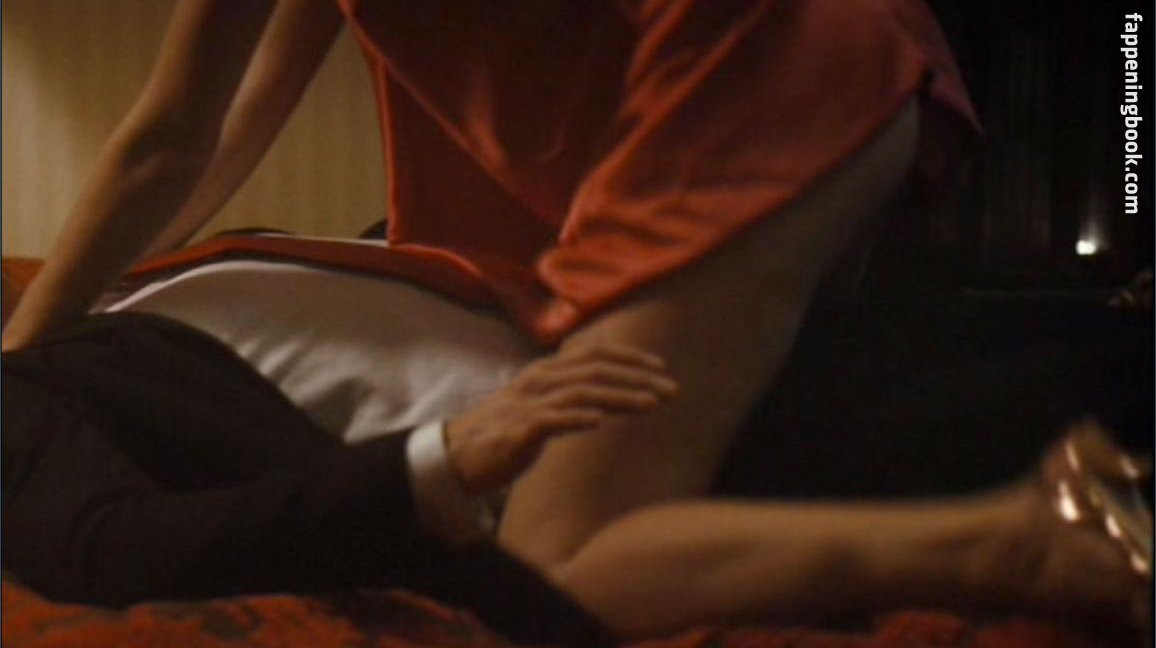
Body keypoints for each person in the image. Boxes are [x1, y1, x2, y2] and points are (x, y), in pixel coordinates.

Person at [2, 0, 1150, 640]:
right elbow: (201, 140)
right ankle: (1050, 491)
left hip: (744, 65)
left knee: (559, 565)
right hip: (738, 79)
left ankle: (1021, 541)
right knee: (819, 406)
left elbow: (176, 145)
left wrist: (21, 353)